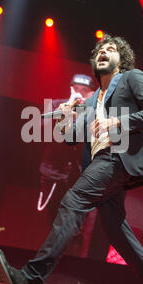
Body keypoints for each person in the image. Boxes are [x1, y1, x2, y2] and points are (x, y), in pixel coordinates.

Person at [0, 34, 143, 284]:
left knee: (73, 201)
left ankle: (30, 277)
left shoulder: (132, 78)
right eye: (100, 50)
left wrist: (116, 122)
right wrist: (68, 114)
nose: (103, 52)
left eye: (110, 49)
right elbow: (70, 137)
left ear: (121, 58)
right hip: (101, 163)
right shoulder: (90, 102)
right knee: (118, 233)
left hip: (119, 158)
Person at [38, 73, 96, 257]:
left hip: (78, 179)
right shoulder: (56, 105)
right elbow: (42, 131)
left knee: (73, 225)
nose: (79, 94)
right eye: (76, 89)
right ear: (70, 89)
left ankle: (69, 259)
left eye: (84, 91)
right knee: (51, 222)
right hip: (54, 175)